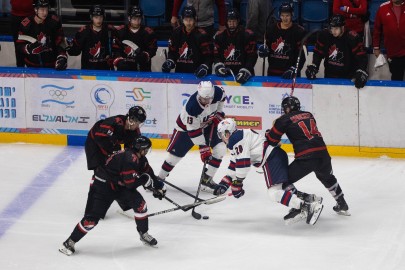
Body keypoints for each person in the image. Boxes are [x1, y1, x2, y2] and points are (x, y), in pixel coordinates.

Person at [59, 136, 166, 255]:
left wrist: (158, 186)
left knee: (140, 205)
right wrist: (144, 180)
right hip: (103, 186)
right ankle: (70, 241)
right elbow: (131, 184)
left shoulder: (140, 158)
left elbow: (148, 172)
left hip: (119, 185)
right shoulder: (129, 159)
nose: (147, 151)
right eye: (146, 149)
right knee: (91, 220)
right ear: (141, 149)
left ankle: (143, 234)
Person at [214, 118, 324, 225]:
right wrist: (224, 183)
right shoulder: (238, 138)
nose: (222, 138)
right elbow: (234, 165)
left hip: (271, 158)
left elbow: (243, 165)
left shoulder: (236, 138)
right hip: (276, 155)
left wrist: (237, 184)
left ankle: (305, 206)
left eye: (222, 134)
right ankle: (308, 199)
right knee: (284, 187)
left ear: (228, 133)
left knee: (274, 193)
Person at [265, 96, 350, 218]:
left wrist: (273, 128)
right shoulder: (309, 114)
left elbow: (272, 140)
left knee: (282, 180)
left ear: (287, 108)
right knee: (327, 177)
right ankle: (342, 203)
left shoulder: (283, 120)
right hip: (323, 154)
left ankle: (300, 205)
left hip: (306, 157)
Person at [156, 81, 227, 193]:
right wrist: (203, 148)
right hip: (186, 129)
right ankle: (159, 179)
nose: (207, 101)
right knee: (173, 158)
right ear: (199, 94)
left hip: (207, 125)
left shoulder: (218, 92)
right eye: (204, 99)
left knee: (221, 149)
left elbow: (222, 98)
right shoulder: (192, 107)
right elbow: (193, 131)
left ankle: (207, 178)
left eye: (209, 99)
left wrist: (218, 112)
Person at [305, 14, 368, 89]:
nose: (333, 31)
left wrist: (361, 71)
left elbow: (362, 57)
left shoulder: (352, 38)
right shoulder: (325, 35)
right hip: (329, 76)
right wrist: (314, 65)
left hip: (347, 78)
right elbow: (318, 53)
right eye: (332, 28)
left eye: (336, 28)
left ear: (342, 27)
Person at [85, 106, 146, 174]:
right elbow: (100, 138)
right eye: (137, 123)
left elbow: (133, 149)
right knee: (101, 170)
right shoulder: (115, 122)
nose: (138, 126)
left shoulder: (135, 132)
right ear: (131, 120)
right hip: (94, 143)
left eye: (139, 124)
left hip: (111, 145)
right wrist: (115, 152)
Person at [257, 2, 307, 79]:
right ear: (279, 15)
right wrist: (262, 50)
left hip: (291, 73)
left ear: (292, 15)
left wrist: (295, 68)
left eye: (287, 15)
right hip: (272, 73)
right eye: (282, 15)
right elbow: (265, 46)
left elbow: (302, 55)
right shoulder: (271, 29)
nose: (285, 18)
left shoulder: (299, 31)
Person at [162, 5, 213, 78]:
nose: (188, 23)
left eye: (191, 20)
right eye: (186, 20)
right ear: (182, 19)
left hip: (197, 75)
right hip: (179, 75)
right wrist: (170, 61)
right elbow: (172, 52)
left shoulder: (202, 35)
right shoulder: (176, 33)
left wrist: (205, 66)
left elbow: (209, 57)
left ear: (195, 19)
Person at [66, 5, 121, 70]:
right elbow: (75, 52)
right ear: (91, 17)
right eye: (96, 17)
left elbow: (118, 49)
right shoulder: (83, 32)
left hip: (106, 70)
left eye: (101, 17)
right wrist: (68, 46)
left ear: (104, 17)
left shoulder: (111, 30)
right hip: (87, 70)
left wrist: (114, 57)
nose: (99, 20)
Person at [16, 0, 67, 70]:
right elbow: (19, 45)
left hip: (51, 65)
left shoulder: (54, 22)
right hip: (32, 66)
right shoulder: (26, 24)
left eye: (46, 9)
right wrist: (29, 48)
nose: (45, 13)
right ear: (35, 10)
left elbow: (60, 41)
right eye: (42, 10)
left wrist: (62, 57)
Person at [213, 9, 257, 84]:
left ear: (238, 21)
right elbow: (216, 55)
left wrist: (247, 69)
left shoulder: (247, 35)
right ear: (226, 22)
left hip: (245, 77)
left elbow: (252, 56)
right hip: (226, 77)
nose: (232, 24)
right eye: (230, 21)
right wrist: (218, 65)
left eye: (234, 21)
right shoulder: (219, 37)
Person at [114, 6, 157, 72]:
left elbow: (153, 49)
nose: (137, 22)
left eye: (139, 19)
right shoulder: (120, 31)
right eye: (134, 19)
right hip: (124, 70)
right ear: (129, 18)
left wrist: (145, 55)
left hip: (143, 70)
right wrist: (119, 61)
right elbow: (115, 49)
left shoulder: (148, 33)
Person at [373, 0, 405, 81]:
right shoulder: (383, 8)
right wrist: (376, 47)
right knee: (396, 79)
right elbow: (377, 29)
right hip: (394, 53)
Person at [10, 0, 34, 67]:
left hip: (30, 15)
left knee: (32, 42)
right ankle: (20, 67)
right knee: (18, 44)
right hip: (16, 17)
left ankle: (33, 67)